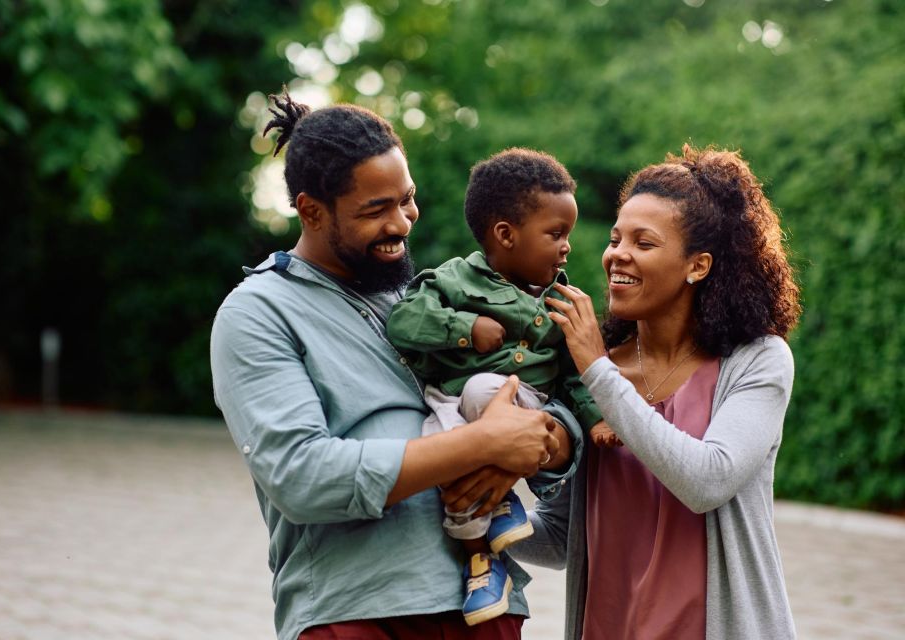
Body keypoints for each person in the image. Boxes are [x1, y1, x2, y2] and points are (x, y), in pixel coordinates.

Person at [209, 89, 584, 640]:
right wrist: (481, 445)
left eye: (406, 199)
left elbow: (547, 398)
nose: (403, 223)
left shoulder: (422, 295)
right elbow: (302, 477)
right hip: (358, 614)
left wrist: (545, 440)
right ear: (310, 210)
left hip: (487, 604)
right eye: (375, 210)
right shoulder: (257, 314)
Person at [504, 144, 802, 639]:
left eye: (643, 243)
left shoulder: (757, 361)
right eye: (616, 237)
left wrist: (598, 369)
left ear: (698, 266)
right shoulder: (587, 373)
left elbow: (706, 480)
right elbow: (561, 536)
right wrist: (474, 519)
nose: (617, 253)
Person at [386, 148, 602, 626]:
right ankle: (483, 565)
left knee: (486, 389)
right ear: (506, 235)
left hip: (522, 403)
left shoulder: (560, 301)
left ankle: (498, 515)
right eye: (556, 234)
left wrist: (597, 418)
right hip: (450, 403)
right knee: (441, 460)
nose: (567, 246)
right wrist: (465, 328)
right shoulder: (453, 279)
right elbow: (405, 321)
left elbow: (574, 375)